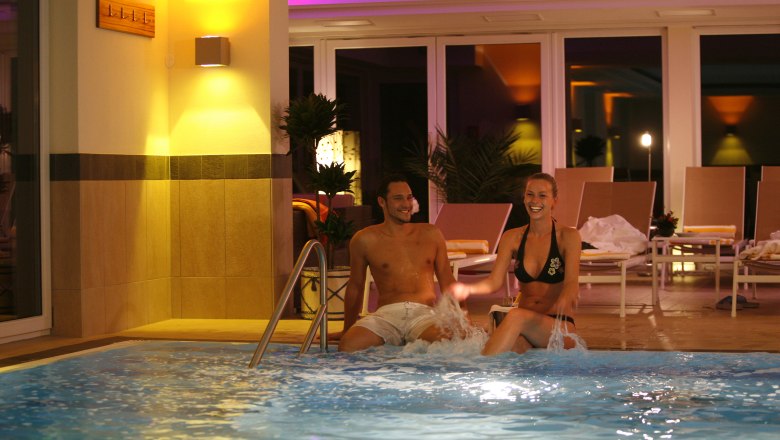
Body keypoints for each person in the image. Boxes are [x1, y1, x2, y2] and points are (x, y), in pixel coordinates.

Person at [447, 172, 582, 355]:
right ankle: (489, 374)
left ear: (554, 201)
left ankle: (478, 370)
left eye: (542, 195)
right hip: (525, 328)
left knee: (516, 316)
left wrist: (566, 299)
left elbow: (572, 283)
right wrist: (468, 289)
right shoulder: (512, 237)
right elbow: (494, 282)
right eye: (530, 194)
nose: (535, 201)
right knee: (511, 350)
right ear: (524, 197)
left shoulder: (568, 237)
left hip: (558, 326)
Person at [337, 174, 457, 352]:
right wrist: (347, 329)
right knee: (348, 346)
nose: (406, 204)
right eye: (398, 198)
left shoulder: (431, 234)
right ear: (382, 202)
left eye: (409, 197)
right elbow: (355, 286)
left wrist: (462, 317)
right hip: (385, 316)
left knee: (447, 345)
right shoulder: (365, 239)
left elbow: (448, 280)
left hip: (424, 314)